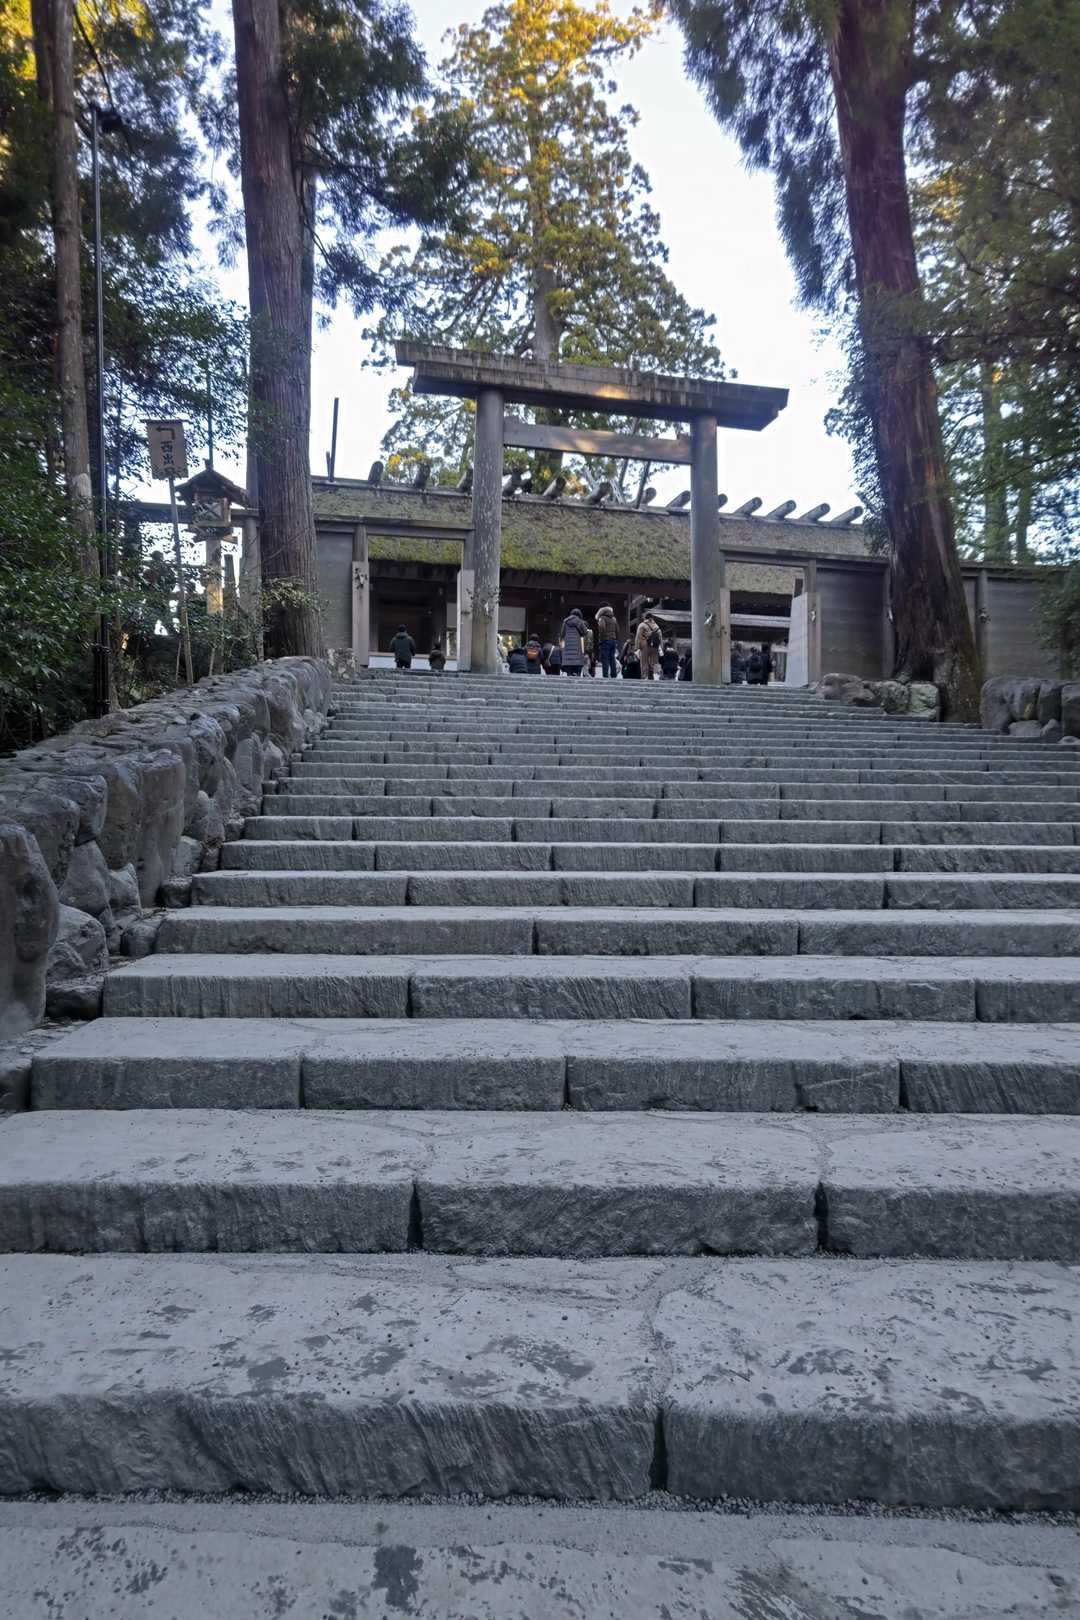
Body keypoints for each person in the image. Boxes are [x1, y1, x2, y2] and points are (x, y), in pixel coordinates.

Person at [560, 607, 589, 676]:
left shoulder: (565, 621)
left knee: (569, 673)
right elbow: (585, 632)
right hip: (577, 650)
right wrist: (580, 633)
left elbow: (562, 634)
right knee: (577, 673)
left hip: (567, 649)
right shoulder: (580, 621)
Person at [636, 612, 663, 681]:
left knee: (644, 661)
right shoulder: (656, 625)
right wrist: (660, 648)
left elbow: (638, 636)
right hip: (655, 646)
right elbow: (660, 637)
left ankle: (644, 677)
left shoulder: (642, 625)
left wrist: (638, 647)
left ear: (645, 617)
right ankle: (657, 675)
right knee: (655, 662)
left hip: (645, 645)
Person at [595, 605, 619, 679]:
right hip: (613, 640)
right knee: (612, 658)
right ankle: (614, 674)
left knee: (605, 658)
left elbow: (602, 628)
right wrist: (615, 639)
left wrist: (602, 638)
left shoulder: (602, 618)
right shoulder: (614, 619)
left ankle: (605, 674)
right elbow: (617, 630)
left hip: (605, 640)